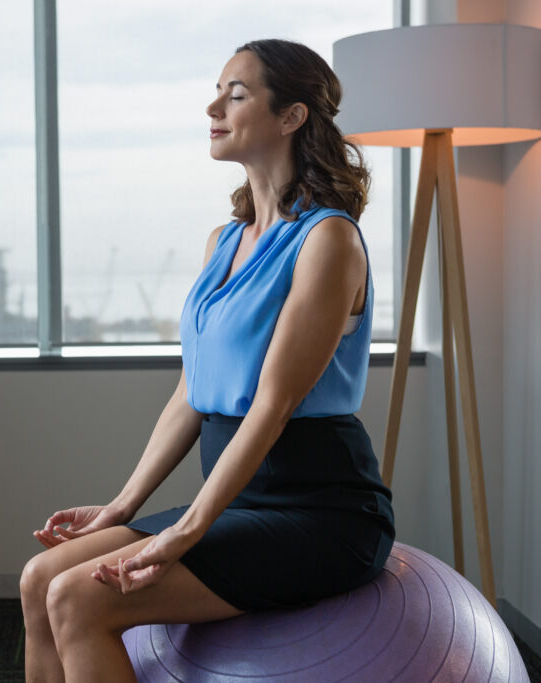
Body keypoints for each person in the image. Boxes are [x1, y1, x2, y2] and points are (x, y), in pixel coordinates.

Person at [20, 38, 395, 683]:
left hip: (318, 510)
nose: (212, 106)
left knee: (77, 597)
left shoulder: (328, 240)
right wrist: (121, 508)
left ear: (291, 117)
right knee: (39, 579)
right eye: (218, 91)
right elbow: (193, 391)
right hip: (235, 501)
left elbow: (273, 407)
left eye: (236, 94)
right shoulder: (222, 243)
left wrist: (186, 532)